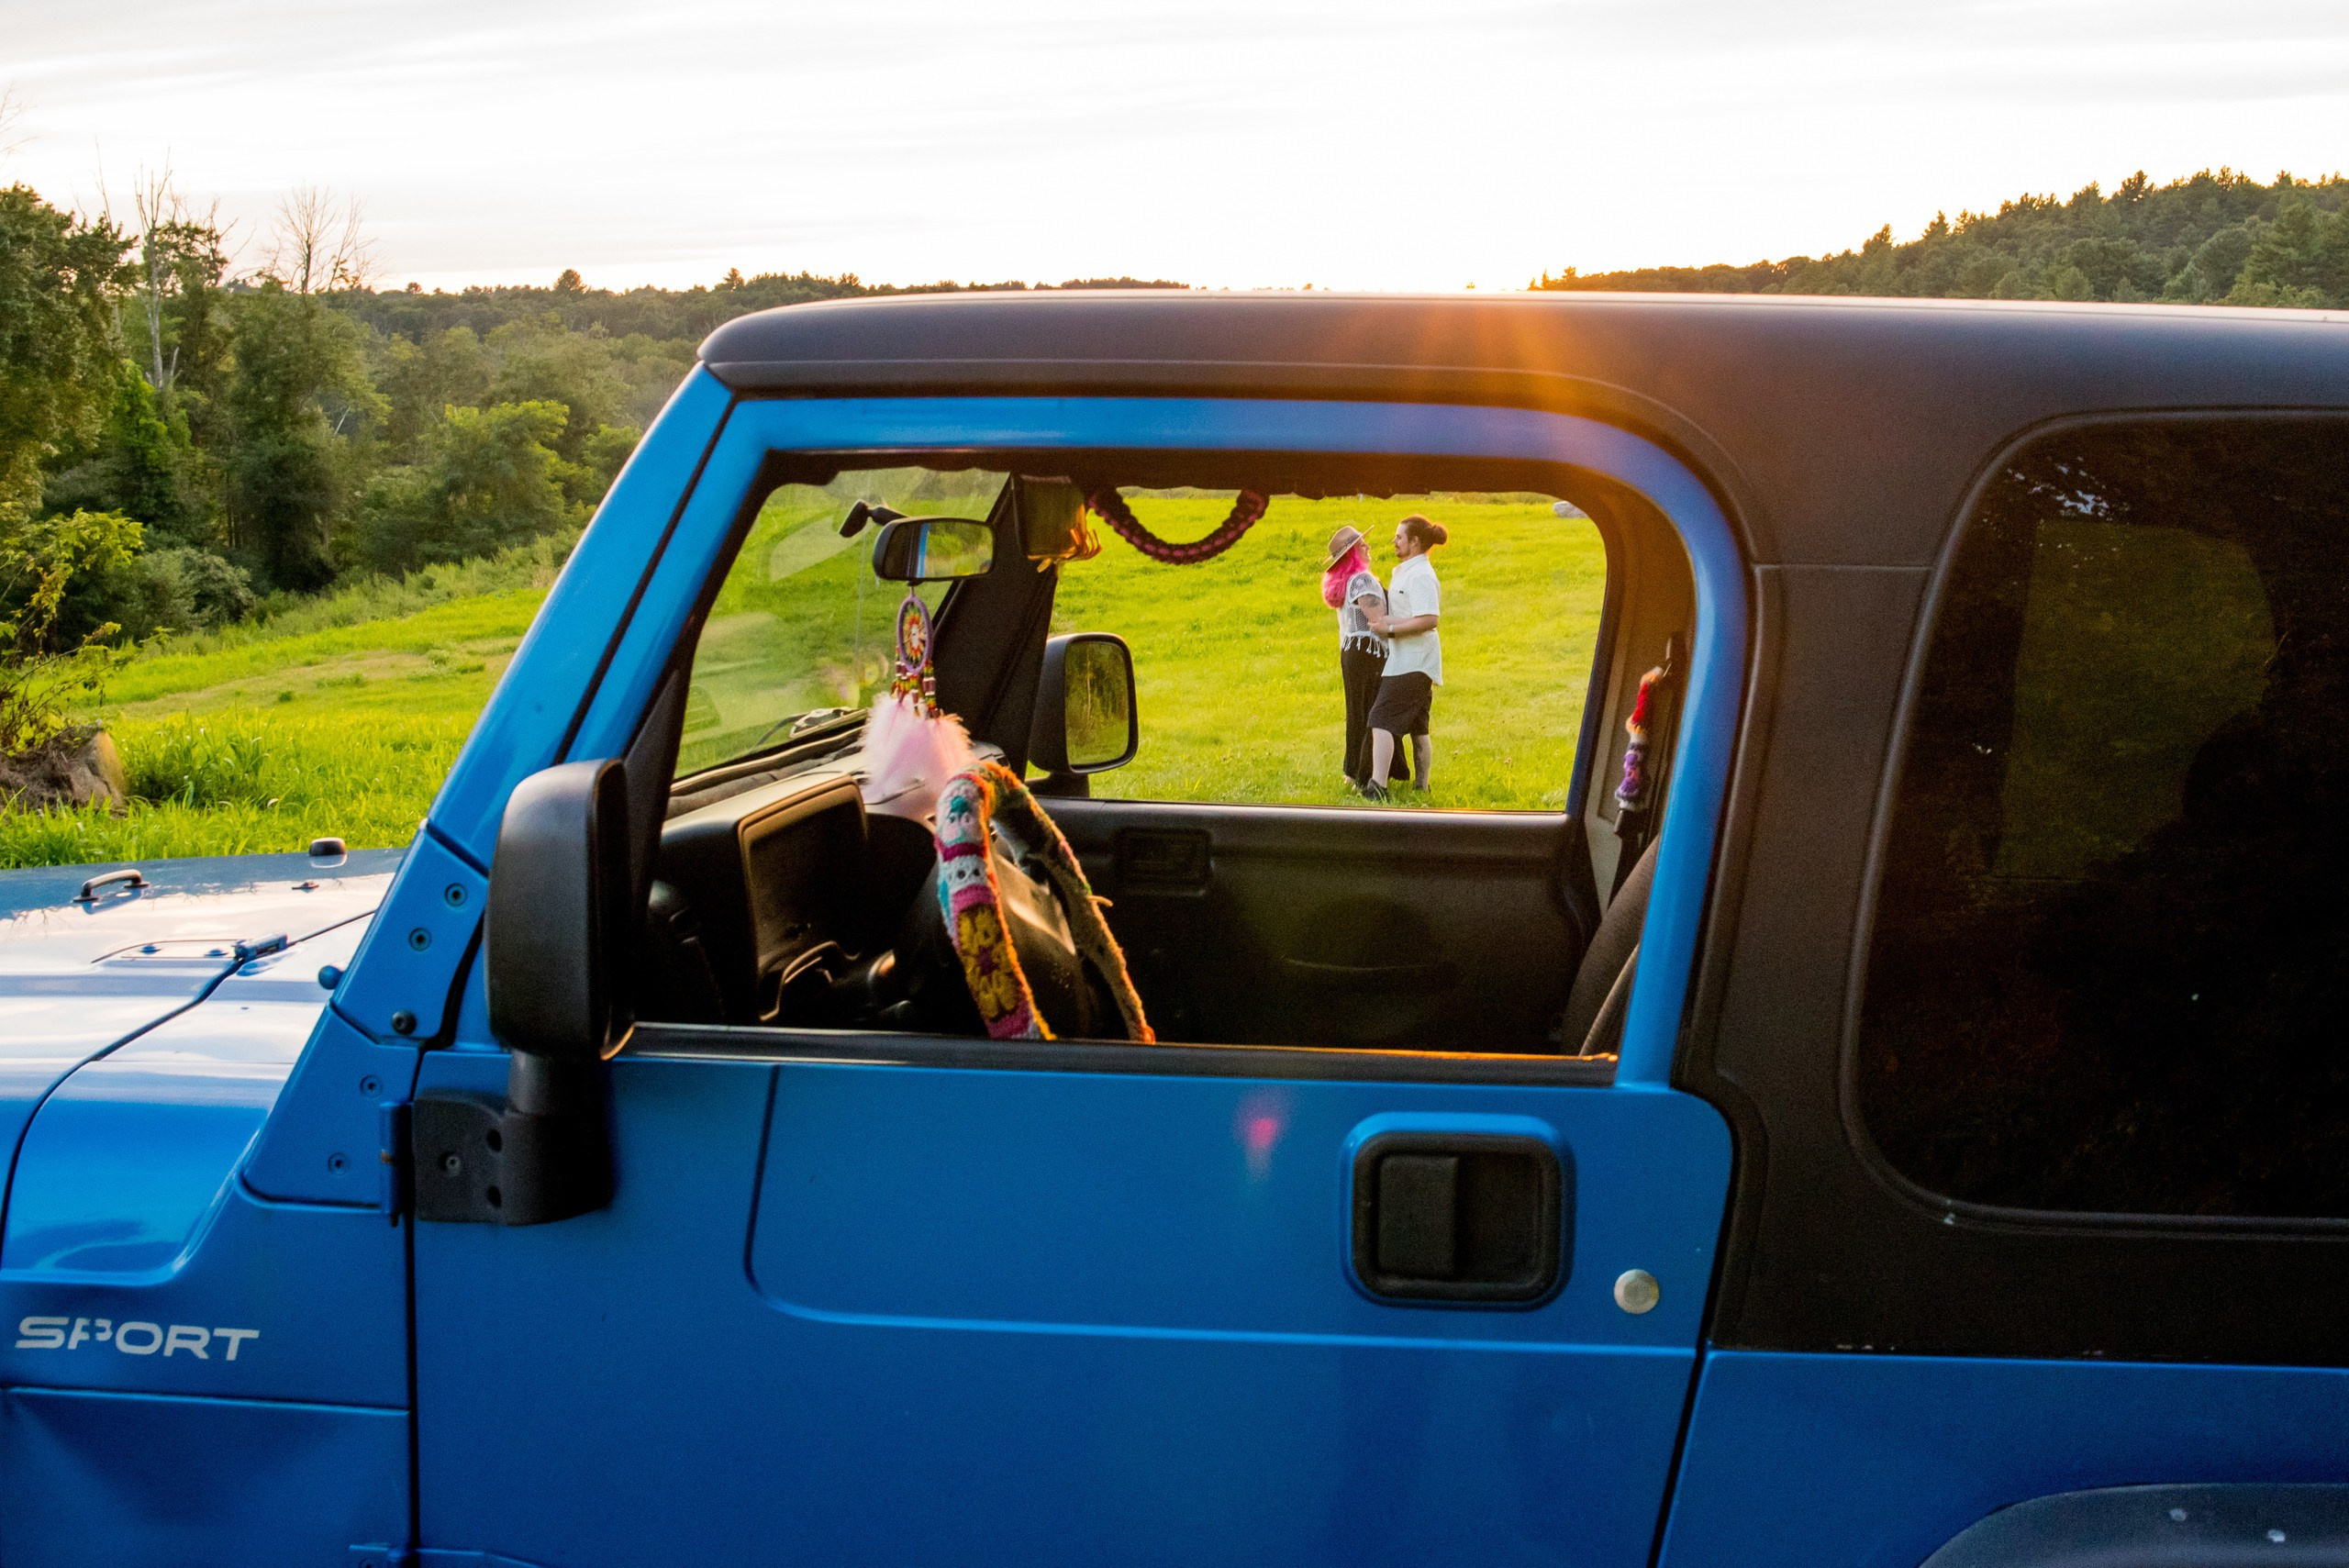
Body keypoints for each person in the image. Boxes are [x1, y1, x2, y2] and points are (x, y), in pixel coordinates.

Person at [1364, 514, 1445, 798]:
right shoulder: (1410, 571)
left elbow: (1429, 619)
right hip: (1410, 659)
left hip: (1413, 661)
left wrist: (1391, 629)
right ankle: (1422, 787)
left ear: (1415, 541)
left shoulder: (1421, 575)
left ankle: (1378, 787)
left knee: (1380, 719)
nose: (1394, 542)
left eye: (1399, 537)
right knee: (1418, 726)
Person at [1321, 524, 1387, 790]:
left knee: (1357, 711)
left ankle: (1353, 771)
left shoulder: (1347, 581)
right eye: (1362, 545)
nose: (1368, 547)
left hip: (1352, 652)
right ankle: (1363, 774)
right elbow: (1378, 619)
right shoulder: (1361, 579)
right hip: (1367, 652)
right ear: (1352, 554)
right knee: (1372, 711)